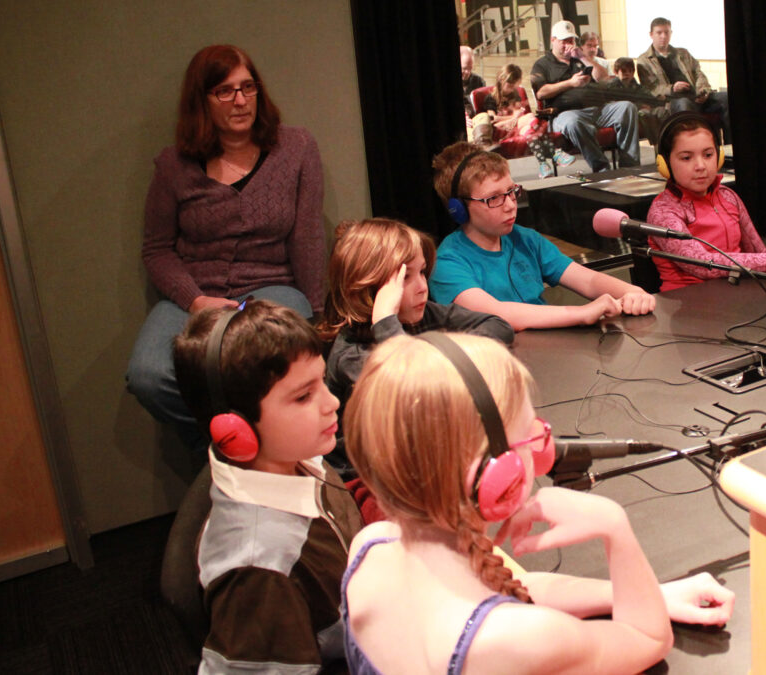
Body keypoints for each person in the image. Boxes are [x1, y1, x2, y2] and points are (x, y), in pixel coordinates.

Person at [341, 333, 734, 674]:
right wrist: (615, 527)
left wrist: (650, 593)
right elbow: (646, 638)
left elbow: (514, 587)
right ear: (493, 474)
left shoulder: (374, 545)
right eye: (529, 436)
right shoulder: (516, 638)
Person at [127, 44, 326, 454]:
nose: (240, 100)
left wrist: (320, 320)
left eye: (248, 87)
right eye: (224, 91)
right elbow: (157, 250)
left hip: (272, 287)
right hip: (193, 296)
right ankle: (230, 458)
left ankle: (274, 462)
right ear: (202, 101)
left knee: (267, 371)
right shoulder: (173, 166)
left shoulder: (296, 148)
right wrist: (196, 300)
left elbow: (307, 238)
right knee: (149, 377)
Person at [172, 300, 362, 672]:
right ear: (236, 431)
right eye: (303, 396)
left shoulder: (296, 458)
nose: (333, 402)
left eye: (322, 381)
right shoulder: (262, 572)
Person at [429, 142, 656, 330]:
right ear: (458, 209)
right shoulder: (447, 262)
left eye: (511, 192)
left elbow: (587, 280)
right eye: (494, 198)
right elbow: (496, 314)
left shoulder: (525, 239)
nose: (510, 205)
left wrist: (632, 292)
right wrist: (581, 313)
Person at [320, 217, 513, 421]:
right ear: (369, 288)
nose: (422, 287)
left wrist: (443, 357)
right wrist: (386, 322)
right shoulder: (352, 357)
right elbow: (418, 391)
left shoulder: (421, 314)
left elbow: (498, 326)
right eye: (405, 278)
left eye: (421, 272)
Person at [645, 113, 766, 291]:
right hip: (687, 303)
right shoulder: (663, 211)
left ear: (719, 156)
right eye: (686, 158)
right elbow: (701, 264)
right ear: (665, 164)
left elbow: (756, 250)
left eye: (708, 155)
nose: (701, 166)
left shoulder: (728, 196)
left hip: (737, 294)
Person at [530, 20, 640, 173]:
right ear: (553, 40)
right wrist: (570, 83)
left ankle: (630, 166)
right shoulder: (543, 64)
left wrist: (583, 57)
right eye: (564, 41)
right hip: (565, 114)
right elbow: (541, 93)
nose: (568, 44)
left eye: (571, 40)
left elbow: (603, 77)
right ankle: (602, 168)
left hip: (597, 108)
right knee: (574, 122)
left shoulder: (579, 59)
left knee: (627, 107)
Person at [471, 63, 575, 179]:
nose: (513, 89)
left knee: (528, 129)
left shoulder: (515, 94)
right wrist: (514, 117)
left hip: (518, 126)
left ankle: (543, 164)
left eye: (515, 85)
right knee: (530, 118)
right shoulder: (491, 97)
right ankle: (554, 152)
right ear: (501, 80)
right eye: (510, 85)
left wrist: (517, 117)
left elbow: (519, 113)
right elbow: (493, 120)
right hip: (501, 129)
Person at [636, 17, 731, 143]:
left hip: (696, 96)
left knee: (728, 97)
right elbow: (651, 88)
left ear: (671, 33)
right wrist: (672, 88)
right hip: (672, 101)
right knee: (683, 103)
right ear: (651, 34)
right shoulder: (644, 60)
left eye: (667, 32)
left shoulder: (683, 53)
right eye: (659, 32)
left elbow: (698, 73)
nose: (663, 36)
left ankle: (731, 148)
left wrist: (703, 91)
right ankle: (692, 146)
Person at [609, 56, 668, 141]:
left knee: (661, 111)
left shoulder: (635, 86)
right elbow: (618, 104)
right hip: (626, 114)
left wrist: (659, 100)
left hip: (640, 109)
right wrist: (639, 105)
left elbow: (648, 97)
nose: (628, 74)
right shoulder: (612, 87)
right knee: (644, 113)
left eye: (630, 71)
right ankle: (656, 140)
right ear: (616, 72)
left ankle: (663, 142)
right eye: (624, 71)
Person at [460, 45, 486, 117]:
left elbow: (485, 103)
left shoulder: (479, 81)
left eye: (470, 68)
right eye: (464, 68)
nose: (468, 72)